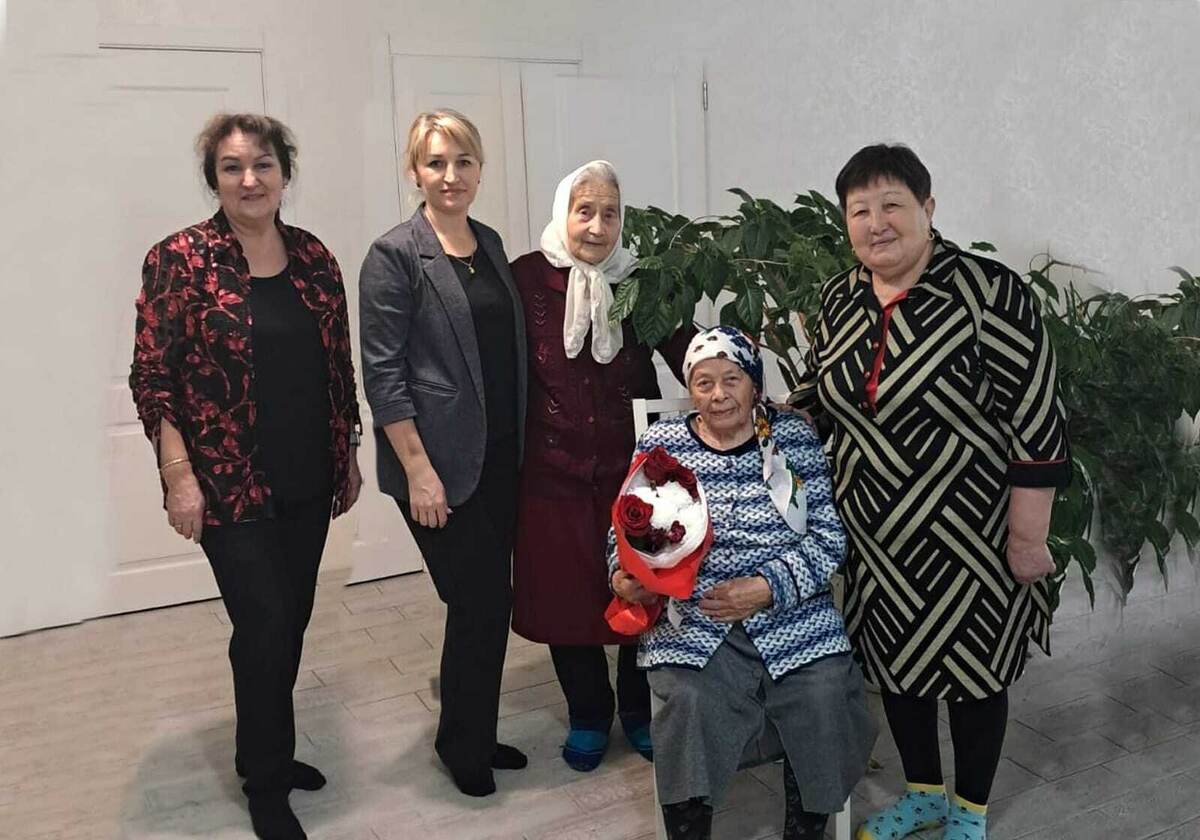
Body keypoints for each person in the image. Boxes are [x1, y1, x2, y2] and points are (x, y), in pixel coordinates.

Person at [789, 144, 1070, 840]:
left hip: (971, 535)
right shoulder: (839, 297)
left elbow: (1036, 421)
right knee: (897, 670)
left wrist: (1028, 537)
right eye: (860, 210)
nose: (876, 223)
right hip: (871, 533)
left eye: (892, 205)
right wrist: (754, 422)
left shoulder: (988, 292)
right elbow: (821, 396)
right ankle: (922, 795)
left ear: (928, 208)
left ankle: (969, 812)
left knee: (975, 674)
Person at [129, 113, 362, 840]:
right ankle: (266, 782)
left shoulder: (315, 258)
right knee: (263, 625)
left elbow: (338, 366)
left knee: (288, 623)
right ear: (215, 180)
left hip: (308, 476)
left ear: (284, 174)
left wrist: (350, 453)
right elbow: (153, 376)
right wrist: (178, 476)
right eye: (232, 167)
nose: (250, 179)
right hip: (227, 485)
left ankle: (265, 749)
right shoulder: (179, 260)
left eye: (263, 165)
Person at [610, 326, 875, 840]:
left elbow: (828, 538)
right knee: (689, 699)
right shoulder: (662, 443)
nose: (718, 394)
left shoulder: (792, 438)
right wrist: (625, 578)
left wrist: (767, 586)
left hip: (791, 612)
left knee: (823, 694)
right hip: (696, 614)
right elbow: (622, 531)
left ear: (754, 384)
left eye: (731, 379)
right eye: (703, 382)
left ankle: (805, 830)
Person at [358, 109, 528, 798]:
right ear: (414, 172)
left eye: (463, 162)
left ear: (480, 169)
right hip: (438, 466)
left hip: (501, 458)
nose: (450, 175)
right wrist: (419, 472)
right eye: (436, 163)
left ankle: (474, 731)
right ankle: (463, 746)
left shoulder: (489, 242)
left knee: (488, 602)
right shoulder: (394, 255)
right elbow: (383, 376)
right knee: (478, 598)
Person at [509, 160, 692, 771]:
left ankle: (637, 711)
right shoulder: (525, 278)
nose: (596, 226)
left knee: (641, 590)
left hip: (631, 472)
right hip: (549, 472)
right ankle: (588, 712)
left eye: (609, 213)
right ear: (563, 212)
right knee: (566, 600)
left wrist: (734, 379)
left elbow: (686, 347)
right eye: (584, 211)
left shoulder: (640, 282)